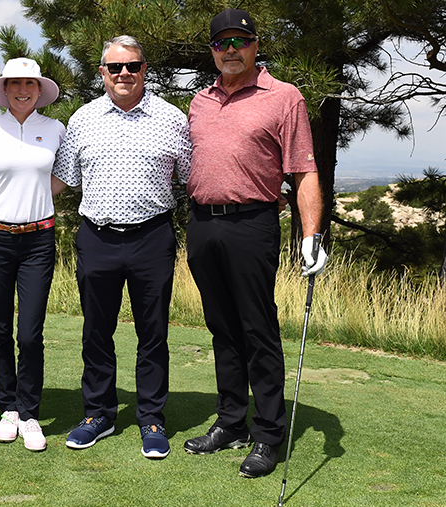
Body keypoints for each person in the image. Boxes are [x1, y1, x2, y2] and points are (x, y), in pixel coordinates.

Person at [183, 8, 328, 479]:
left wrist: (311, 235)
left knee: (257, 330)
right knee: (222, 328)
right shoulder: (199, 101)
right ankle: (231, 422)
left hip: (252, 224)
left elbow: (304, 171)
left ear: (255, 45)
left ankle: (267, 433)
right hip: (203, 224)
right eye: (222, 43)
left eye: (239, 42)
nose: (231, 50)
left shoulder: (283, 97)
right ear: (211, 51)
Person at [52, 35, 192, 459]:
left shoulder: (172, 118)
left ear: (145, 70)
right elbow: (61, 181)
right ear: (103, 73)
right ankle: (99, 414)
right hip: (97, 236)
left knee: (153, 332)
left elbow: (188, 178)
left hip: (153, 236)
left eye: (133, 66)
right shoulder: (83, 119)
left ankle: (151, 417)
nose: (124, 74)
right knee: (97, 330)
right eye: (115, 68)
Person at [0, 58, 66, 452]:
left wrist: (36, 199)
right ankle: (8, 407)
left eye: (30, 83)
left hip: (39, 240)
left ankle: (30, 413)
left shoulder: (55, 129)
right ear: (4, 90)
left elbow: (64, 176)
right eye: (15, 83)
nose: (23, 89)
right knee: (1, 328)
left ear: (39, 90)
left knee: (31, 332)